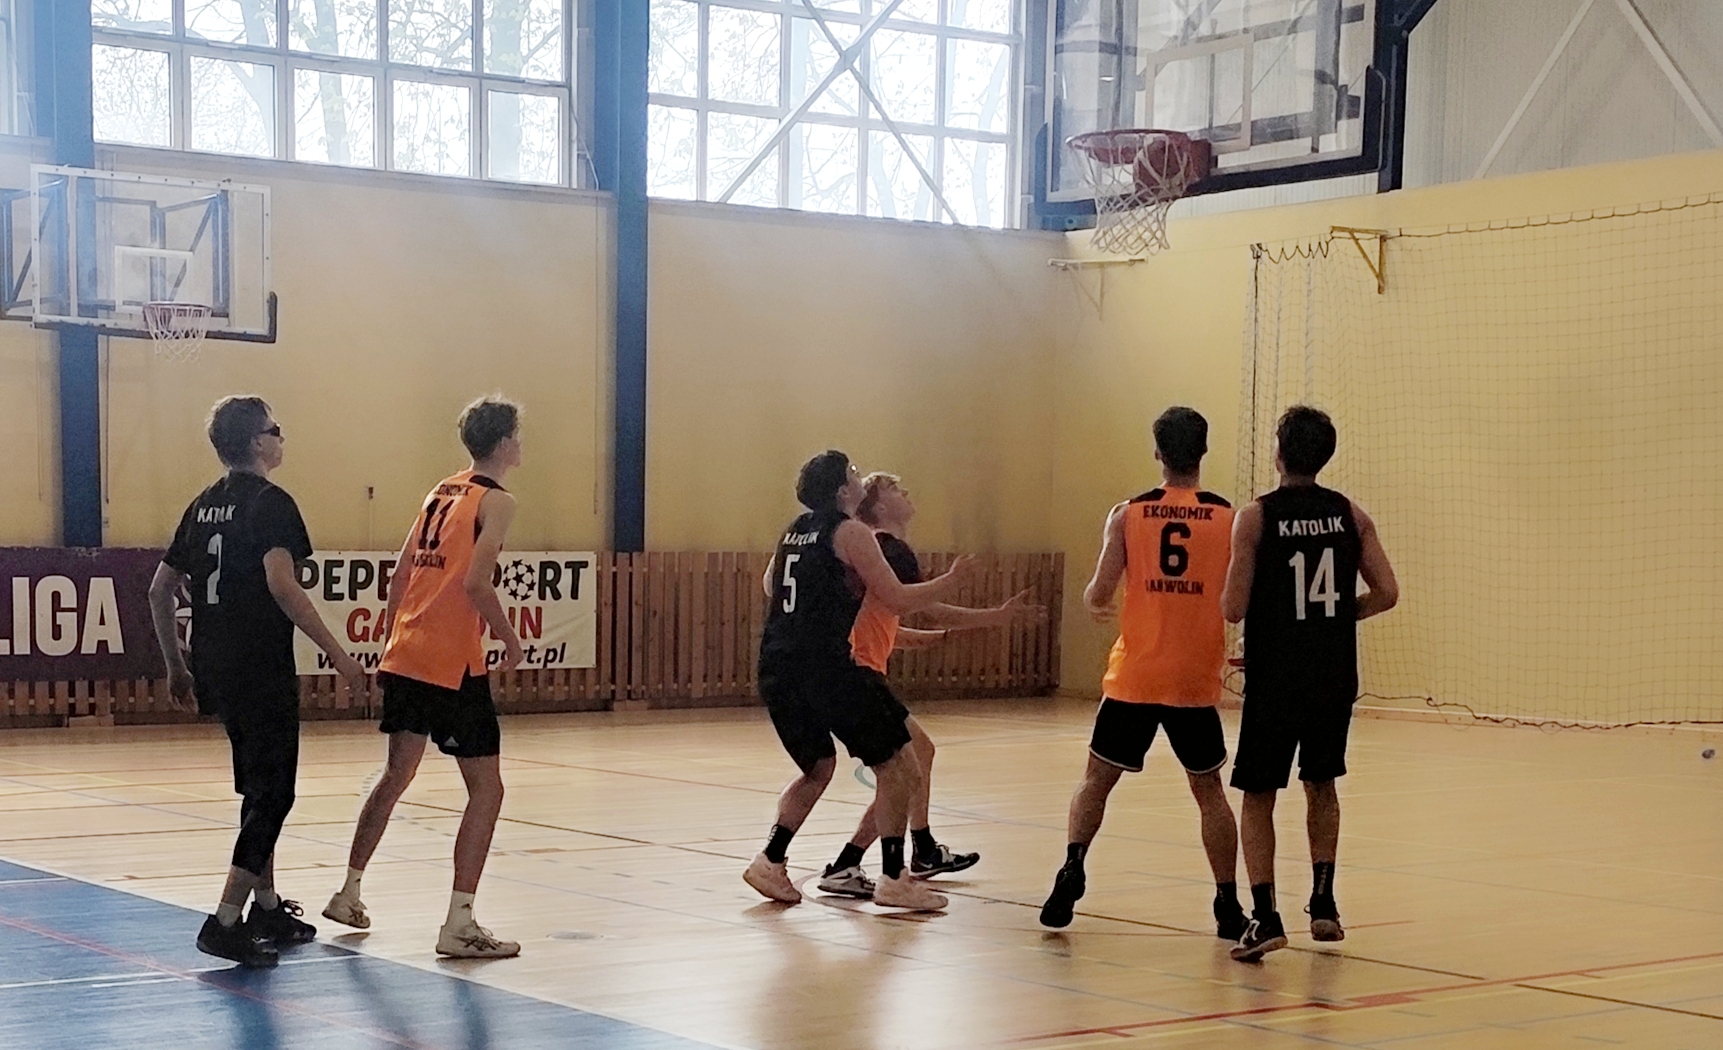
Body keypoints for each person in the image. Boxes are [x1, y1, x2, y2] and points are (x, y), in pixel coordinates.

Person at [148, 396, 365, 968]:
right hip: (258, 665)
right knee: (274, 794)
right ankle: (224, 920)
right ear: (255, 442)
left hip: (214, 663)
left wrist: (176, 664)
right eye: (276, 428)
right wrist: (339, 656)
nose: (281, 436)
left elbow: (159, 589)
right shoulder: (273, 503)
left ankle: (265, 906)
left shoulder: (202, 505)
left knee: (257, 788)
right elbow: (282, 584)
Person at [322, 396, 529, 958]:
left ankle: (348, 891)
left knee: (395, 775)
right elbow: (476, 583)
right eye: (517, 434)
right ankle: (459, 923)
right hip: (452, 662)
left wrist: (394, 642)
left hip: (408, 652)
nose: (521, 443)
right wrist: (510, 641)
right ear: (504, 443)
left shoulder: (442, 491)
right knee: (487, 789)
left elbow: (400, 575)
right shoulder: (497, 501)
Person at [1037, 407, 1246, 937]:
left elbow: (1098, 592)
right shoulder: (1229, 518)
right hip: (1193, 678)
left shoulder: (1128, 514)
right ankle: (1227, 902)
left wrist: (1100, 601)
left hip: (1135, 675)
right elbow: (1239, 599)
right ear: (1203, 451)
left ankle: (1072, 865)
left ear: (1157, 452)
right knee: (1210, 793)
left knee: (1095, 782)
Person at [745, 451, 973, 911]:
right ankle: (893, 878)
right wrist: (951, 581)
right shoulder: (850, 532)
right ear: (842, 490)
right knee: (901, 766)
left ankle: (769, 860)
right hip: (825, 665)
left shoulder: (793, 530)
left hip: (778, 664)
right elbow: (897, 598)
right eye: (852, 472)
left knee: (818, 768)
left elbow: (772, 585)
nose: (860, 477)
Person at [1221, 406, 1398, 962]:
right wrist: (1339, 617)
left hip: (1276, 677)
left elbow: (1232, 607)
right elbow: (1387, 593)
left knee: (1259, 794)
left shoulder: (1255, 518)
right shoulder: (1350, 515)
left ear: (1278, 453)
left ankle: (1266, 916)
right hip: (1331, 674)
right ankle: (1324, 903)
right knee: (1322, 784)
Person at [817, 472, 1044, 899]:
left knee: (914, 759)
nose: (907, 494)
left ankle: (901, 852)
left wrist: (929, 640)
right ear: (879, 506)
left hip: (854, 669)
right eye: (896, 490)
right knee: (903, 769)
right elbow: (929, 607)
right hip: (858, 673)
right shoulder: (890, 548)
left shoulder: (871, 550)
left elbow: (880, 621)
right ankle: (878, 863)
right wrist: (995, 616)